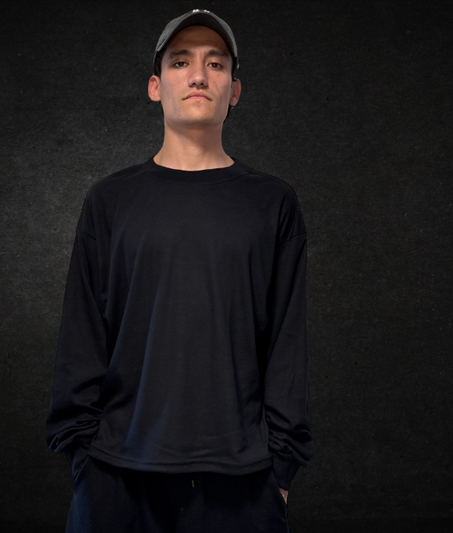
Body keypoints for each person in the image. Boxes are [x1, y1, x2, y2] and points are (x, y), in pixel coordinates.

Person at [46, 9, 315, 533]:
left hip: (242, 481)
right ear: (155, 86)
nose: (198, 75)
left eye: (216, 64)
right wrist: (83, 460)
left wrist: (280, 471)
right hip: (116, 476)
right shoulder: (110, 200)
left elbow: (287, 344)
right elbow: (81, 337)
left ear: (234, 90)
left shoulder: (272, 204)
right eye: (180, 62)